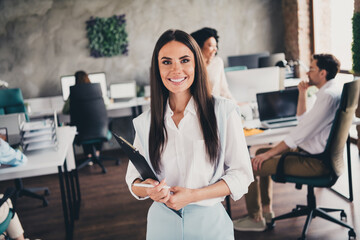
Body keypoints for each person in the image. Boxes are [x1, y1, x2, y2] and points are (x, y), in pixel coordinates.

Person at [125, 29, 253, 240]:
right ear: (157, 69)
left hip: (209, 224)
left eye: (184, 60)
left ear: (197, 64)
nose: (176, 70)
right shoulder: (146, 122)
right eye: (166, 62)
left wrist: (194, 195)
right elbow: (133, 180)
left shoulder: (223, 112)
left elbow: (241, 175)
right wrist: (148, 189)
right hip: (161, 225)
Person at [233, 54, 341, 232]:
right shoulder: (331, 91)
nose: (307, 72)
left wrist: (270, 153)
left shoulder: (327, 96)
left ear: (323, 73)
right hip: (315, 154)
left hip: (314, 162)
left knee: (251, 166)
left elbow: (298, 134)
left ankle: (255, 218)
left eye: (312, 69)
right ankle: (266, 212)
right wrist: (302, 93)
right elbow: (302, 120)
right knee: (259, 155)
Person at [190, 27, 235, 100]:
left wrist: (235, 103)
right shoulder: (190, 65)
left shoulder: (218, 62)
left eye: (215, 46)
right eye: (210, 45)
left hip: (216, 104)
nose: (215, 49)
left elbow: (224, 90)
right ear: (199, 46)